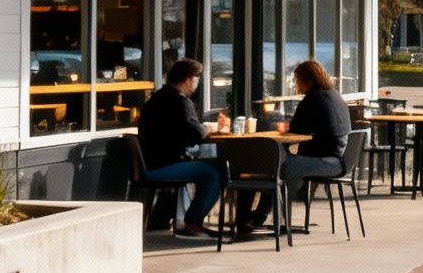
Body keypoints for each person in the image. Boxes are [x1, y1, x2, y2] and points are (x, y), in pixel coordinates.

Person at [236, 59, 350, 234]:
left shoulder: (312, 99)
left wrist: (282, 128)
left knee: (277, 169)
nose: (297, 85)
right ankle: (260, 218)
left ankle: (262, 219)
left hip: (325, 161)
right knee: (277, 168)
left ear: (307, 80)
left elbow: (296, 128)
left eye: (297, 81)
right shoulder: (335, 95)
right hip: (339, 159)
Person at [137, 59, 222, 237]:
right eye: (196, 78)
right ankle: (193, 221)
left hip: (149, 164)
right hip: (162, 167)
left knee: (206, 168)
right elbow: (196, 134)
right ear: (189, 79)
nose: (196, 83)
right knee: (214, 172)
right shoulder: (180, 102)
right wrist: (210, 127)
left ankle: (184, 220)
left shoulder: (157, 98)